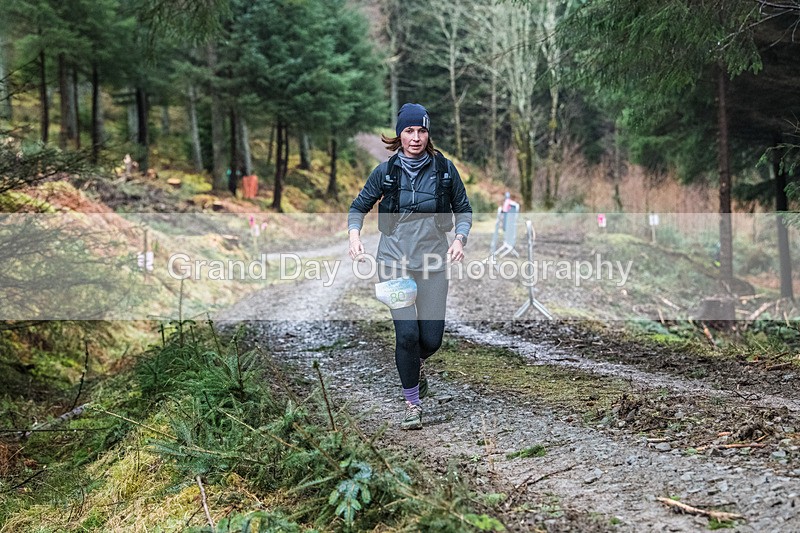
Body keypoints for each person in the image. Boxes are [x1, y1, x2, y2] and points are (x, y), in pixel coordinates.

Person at [348, 103, 472, 430]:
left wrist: (459, 239)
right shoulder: (385, 172)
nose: (415, 137)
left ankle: (414, 367)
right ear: (400, 134)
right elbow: (358, 206)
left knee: (430, 340)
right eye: (409, 130)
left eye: (421, 130)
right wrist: (354, 236)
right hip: (393, 264)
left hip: (432, 263)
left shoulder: (444, 169)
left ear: (428, 133)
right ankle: (412, 404)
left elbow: (464, 209)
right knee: (406, 335)